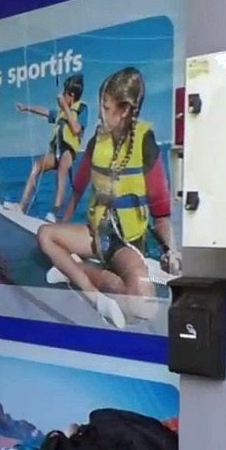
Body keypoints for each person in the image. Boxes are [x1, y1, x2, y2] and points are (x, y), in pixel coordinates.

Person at [35, 68, 180, 329]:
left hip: (126, 244)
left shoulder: (145, 143)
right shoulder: (95, 142)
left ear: (123, 110)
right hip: (96, 236)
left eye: (106, 106)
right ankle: (94, 295)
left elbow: (161, 212)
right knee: (45, 235)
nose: (100, 113)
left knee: (143, 309)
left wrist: (172, 251)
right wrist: (63, 229)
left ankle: (80, 272)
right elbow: (78, 189)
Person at [16, 74, 86, 217]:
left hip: (69, 152)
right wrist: (26, 107)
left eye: (65, 93)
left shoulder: (81, 109)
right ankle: (21, 206)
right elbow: (45, 112)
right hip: (56, 152)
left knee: (62, 169)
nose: (62, 96)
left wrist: (66, 107)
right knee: (36, 165)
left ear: (71, 95)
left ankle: (54, 213)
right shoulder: (61, 113)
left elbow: (76, 129)